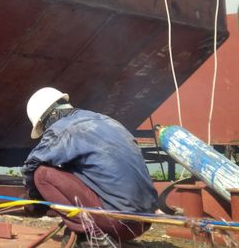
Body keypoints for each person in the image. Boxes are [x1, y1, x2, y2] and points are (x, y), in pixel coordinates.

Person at [22, 87, 157, 245]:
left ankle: (94, 236)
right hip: (144, 221)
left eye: (44, 126)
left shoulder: (62, 129)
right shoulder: (107, 121)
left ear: (51, 116)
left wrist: (36, 201)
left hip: (118, 223)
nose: (46, 131)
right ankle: (95, 229)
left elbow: (31, 165)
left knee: (42, 174)